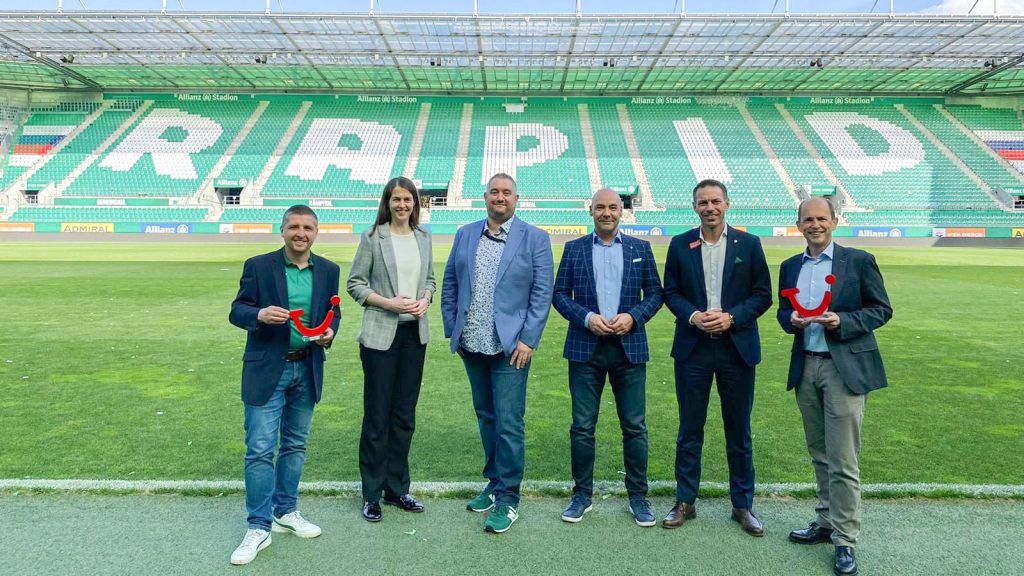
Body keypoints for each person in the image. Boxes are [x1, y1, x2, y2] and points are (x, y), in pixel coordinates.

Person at [777, 197, 892, 576]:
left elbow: (881, 309)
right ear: (798, 225)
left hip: (844, 369)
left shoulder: (858, 261)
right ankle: (826, 521)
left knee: (843, 459)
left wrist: (842, 321)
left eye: (821, 218)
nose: (815, 225)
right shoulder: (790, 266)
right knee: (819, 453)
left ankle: (845, 539)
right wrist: (790, 320)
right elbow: (782, 311)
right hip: (806, 366)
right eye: (808, 219)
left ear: (835, 221)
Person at [441, 172, 554, 534]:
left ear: (516, 198)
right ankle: (493, 484)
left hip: (511, 348)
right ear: (485, 197)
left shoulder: (535, 238)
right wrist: (453, 329)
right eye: (494, 192)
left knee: (508, 422)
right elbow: (450, 283)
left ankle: (508, 497)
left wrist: (528, 340)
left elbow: (542, 293)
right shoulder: (465, 233)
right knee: (486, 417)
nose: (500, 197)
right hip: (471, 343)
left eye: (506, 192)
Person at [228, 205, 341, 566]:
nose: (300, 233)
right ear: (282, 230)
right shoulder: (259, 266)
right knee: (260, 449)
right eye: (294, 227)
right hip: (267, 370)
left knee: (294, 445)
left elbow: (333, 311)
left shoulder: (329, 270)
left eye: (307, 227)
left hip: (307, 368)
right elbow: (237, 310)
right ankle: (258, 526)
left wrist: (330, 332)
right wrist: (259, 314)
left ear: (316, 232)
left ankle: (285, 512)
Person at [661, 179, 772, 535]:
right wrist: (694, 316)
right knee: (689, 429)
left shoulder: (749, 244)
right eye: (702, 202)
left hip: (736, 348)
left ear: (727, 204)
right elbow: (670, 292)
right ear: (694, 206)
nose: (709, 207)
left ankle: (742, 505)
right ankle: (685, 501)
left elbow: (763, 294)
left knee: (739, 430)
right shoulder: (680, 244)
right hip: (693, 348)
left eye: (715, 201)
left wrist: (732, 317)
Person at [552, 188, 663, 527]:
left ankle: (638, 497)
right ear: (591, 210)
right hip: (585, 349)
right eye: (600, 207)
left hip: (630, 349)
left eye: (613, 207)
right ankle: (581, 495)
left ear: (621, 211)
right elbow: (559, 295)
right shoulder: (574, 249)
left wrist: (634, 317)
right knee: (582, 427)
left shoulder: (640, 248)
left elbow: (655, 294)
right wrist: (587, 318)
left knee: (634, 426)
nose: (607, 213)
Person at [347, 176, 435, 523]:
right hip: (381, 336)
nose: (402, 205)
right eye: (396, 199)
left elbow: (430, 280)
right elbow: (355, 284)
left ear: (415, 203)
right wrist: (389, 303)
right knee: (377, 417)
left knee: (404, 417)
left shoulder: (424, 237)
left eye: (407, 199)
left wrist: (426, 298)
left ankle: (397, 489)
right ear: (387, 202)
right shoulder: (373, 237)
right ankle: (371, 494)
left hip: (414, 336)